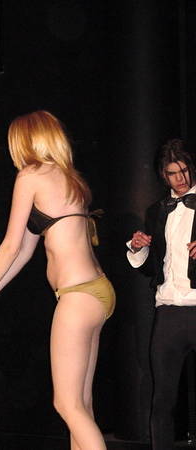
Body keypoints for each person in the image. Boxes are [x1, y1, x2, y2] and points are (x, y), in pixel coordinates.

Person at [0, 110, 115, 450]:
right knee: (81, 405)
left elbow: (10, 246)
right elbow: (23, 254)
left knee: (66, 404)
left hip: (77, 296)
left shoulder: (30, 176)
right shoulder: (70, 178)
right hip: (97, 293)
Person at [126, 138, 196, 449]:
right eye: (172, 173)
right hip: (168, 312)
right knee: (162, 398)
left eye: (184, 171)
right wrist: (138, 247)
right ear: (163, 176)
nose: (180, 179)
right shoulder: (157, 211)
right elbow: (151, 268)